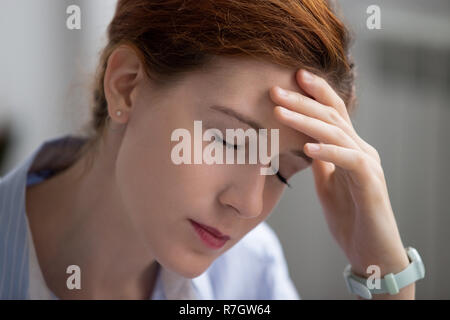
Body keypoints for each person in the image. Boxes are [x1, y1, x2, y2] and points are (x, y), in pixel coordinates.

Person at [0, 0, 414, 299]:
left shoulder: (251, 272)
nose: (249, 204)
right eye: (230, 141)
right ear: (126, 85)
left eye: (282, 172)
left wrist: (386, 275)